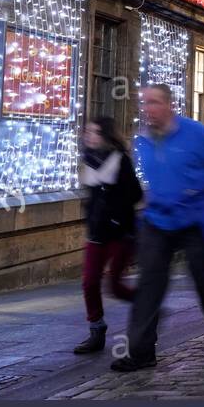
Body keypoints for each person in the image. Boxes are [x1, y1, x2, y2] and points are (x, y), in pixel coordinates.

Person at [113, 84, 204, 372]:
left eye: (154, 103)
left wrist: (199, 197)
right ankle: (142, 352)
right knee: (149, 285)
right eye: (145, 103)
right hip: (158, 220)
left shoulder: (196, 134)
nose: (148, 109)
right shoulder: (143, 141)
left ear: (170, 105)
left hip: (194, 217)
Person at [73, 116, 142, 355]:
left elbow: (135, 194)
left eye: (94, 132)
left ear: (105, 136)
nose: (89, 136)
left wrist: (115, 213)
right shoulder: (88, 161)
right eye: (87, 132)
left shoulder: (121, 160)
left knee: (115, 285)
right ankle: (96, 329)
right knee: (89, 281)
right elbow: (92, 198)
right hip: (97, 232)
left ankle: (146, 304)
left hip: (120, 232)